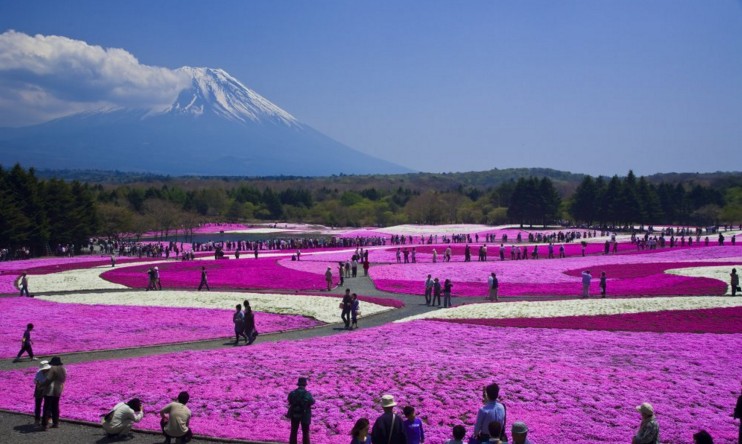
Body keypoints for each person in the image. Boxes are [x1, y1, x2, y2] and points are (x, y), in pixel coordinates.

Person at [41, 356, 66, 430]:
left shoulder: (52, 368)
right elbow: (63, 380)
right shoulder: (63, 369)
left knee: (47, 408)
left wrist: (43, 385)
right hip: (58, 390)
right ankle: (56, 423)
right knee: (55, 407)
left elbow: (48, 379)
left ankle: (45, 425)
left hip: (50, 390)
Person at [287, 377, 315, 444]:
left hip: (294, 413)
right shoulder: (307, 394)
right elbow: (312, 402)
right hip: (305, 414)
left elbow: (289, 401)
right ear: (305, 385)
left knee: (294, 431)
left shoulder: (292, 393)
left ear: (298, 384)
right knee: (305, 432)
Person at [33, 360, 51, 426]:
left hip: (47, 389)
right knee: (38, 404)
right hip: (39, 389)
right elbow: (36, 381)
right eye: (44, 369)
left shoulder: (51, 372)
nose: (45, 370)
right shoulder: (39, 372)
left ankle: (48, 418)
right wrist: (38, 384)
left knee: (48, 405)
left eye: (46, 369)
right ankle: (37, 419)